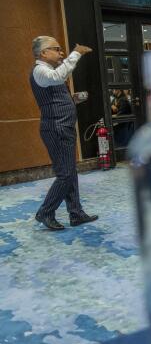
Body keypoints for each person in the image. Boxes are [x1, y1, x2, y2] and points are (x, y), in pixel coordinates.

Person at [30, 36, 97, 230]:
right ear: (43, 53)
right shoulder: (40, 70)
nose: (61, 53)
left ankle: (75, 213)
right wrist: (77, 52)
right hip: (56, 127)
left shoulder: (48, 71)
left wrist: (71, 99)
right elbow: (58, 77)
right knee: (65, 174)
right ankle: (45, 212)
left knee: (70, 172)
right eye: (57, 49)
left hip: (62, 126)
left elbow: (53, 96)